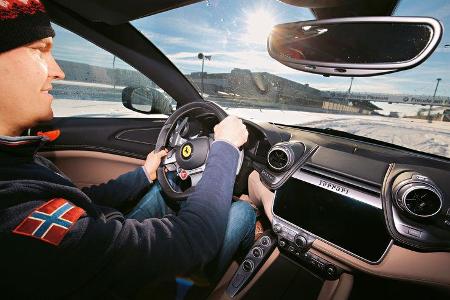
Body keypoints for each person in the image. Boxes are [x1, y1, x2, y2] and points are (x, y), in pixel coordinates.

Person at [0, 0, 256, 298]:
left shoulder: (16, 159)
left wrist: (144, 173)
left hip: (100, 233)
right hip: (125, 281)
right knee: (240, 211)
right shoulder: (14, 217)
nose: (59, 71)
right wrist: (224, 148)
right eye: (38, 50)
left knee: (161, 189)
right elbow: (193, 239)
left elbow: (78, 201)